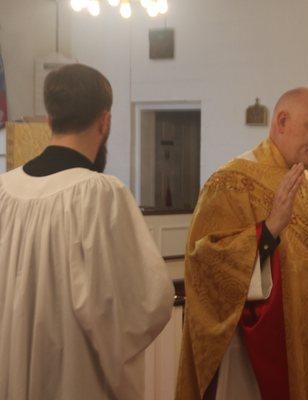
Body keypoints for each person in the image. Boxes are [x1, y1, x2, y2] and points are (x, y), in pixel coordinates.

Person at [176, 87, 308, 400]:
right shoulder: (231, 183)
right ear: (282, 121)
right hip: (256, 361)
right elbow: (206, 266)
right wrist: (268, 231)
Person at [0, 63, 174, 400]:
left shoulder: (4, 190)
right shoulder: (101, 194)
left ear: (50, 120)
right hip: (73, 380)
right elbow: (144, 303)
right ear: (105, 120)